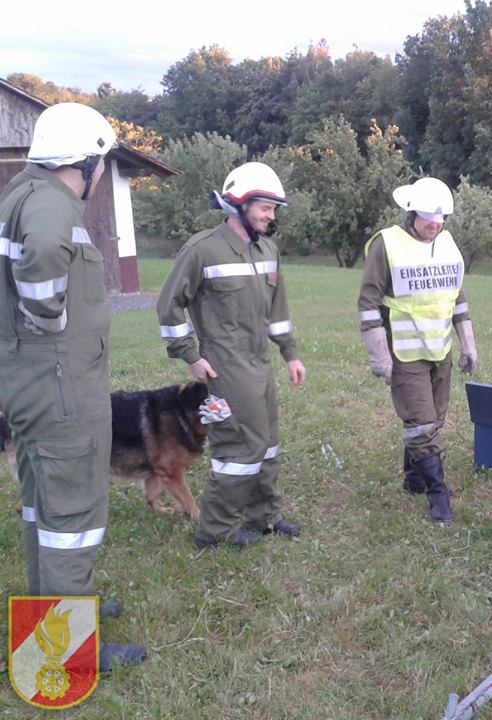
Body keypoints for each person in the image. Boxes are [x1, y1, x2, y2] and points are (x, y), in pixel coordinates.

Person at [0, 102, 146, 669]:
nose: (101, 174)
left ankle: (59, 612)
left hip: (36, 383)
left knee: (44, 508)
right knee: (70, 520)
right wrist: (50, 313)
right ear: (85, 162)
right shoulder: (48, 204)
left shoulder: (23, 192)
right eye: (100, 163)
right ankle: (63, 655)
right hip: (59, 387)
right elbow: (41, 255)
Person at [157, 161, 306, 549]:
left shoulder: (268, 250)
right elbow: (168, 306)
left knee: (268, 443)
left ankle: (264, 517)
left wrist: (290, 354)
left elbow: (277, 311)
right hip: (225, 369)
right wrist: (190, 356)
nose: (271, 216)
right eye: (265, 208)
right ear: (239, 204)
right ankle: (215, 531)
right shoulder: (202, 250)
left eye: (273, 209)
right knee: (239, 448)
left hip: (260, 364)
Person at [357, 177, 478, 524]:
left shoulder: (447, 243)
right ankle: (438, 495)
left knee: (433, 421)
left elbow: (457, 297)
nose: (435, 226)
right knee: (422, 424)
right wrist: (380, 356)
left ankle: (414, 477)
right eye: (429, 219)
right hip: (404, 352)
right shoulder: (386, 244)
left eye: (441, 220)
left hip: (440, 350)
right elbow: (368, 304)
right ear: (411, 214)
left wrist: (468, 344)